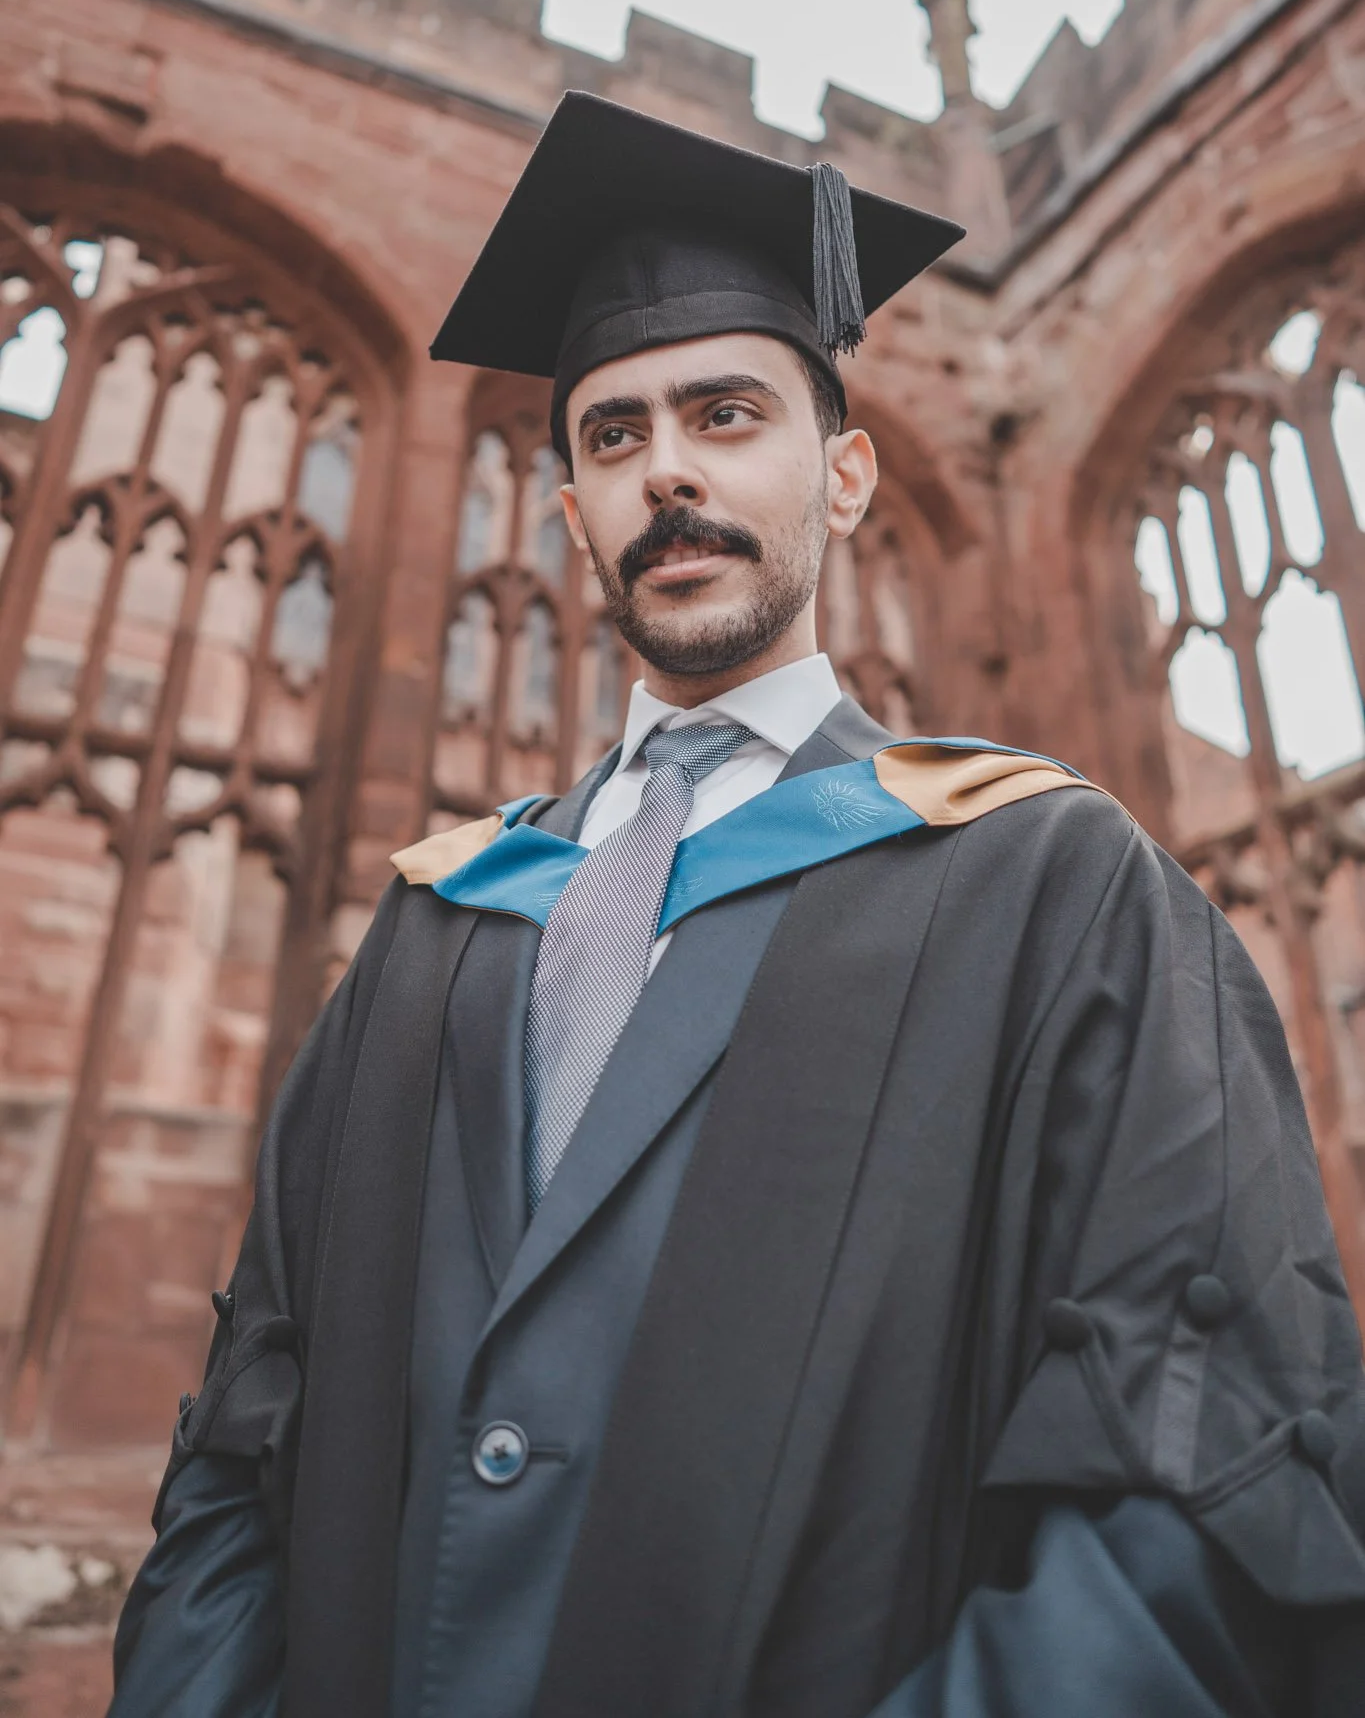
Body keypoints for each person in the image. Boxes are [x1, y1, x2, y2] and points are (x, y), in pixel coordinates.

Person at [111, 93, 1365, 1718]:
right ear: (570, 515)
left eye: (726, 414)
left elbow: (1195, 1495)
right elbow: (243, 1445)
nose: (669, 473)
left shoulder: (1049, 888)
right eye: (614, 436)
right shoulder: (444, 922)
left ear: (845, 478)